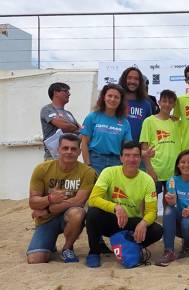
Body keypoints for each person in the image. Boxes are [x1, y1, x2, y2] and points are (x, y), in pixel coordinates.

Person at [85, 141, 163, 268]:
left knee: (157, 230)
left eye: (136, 155)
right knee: (93, 213)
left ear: (140, 158)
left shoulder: (147, 180)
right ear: (121, 158)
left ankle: (129, 245)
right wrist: (115, 207)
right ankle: (94, 252)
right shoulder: (108, 172)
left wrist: (143, 223)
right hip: (112, 220)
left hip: (131, 223)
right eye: (127, 155)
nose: (131, 159)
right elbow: (93, 199)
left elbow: (151, 212)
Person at [27, 133, 96, 264]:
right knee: (36, 259)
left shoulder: (87, 172)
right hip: (46, 221)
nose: (69, 152)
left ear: (79, 151)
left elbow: (79, 201)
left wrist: (47, 209)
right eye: (65, 148)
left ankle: (67, 248)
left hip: (67, 216)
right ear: (58, 149)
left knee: (78, 212)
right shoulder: (42, 169)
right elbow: (33, 203)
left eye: (73, 149)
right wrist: (50, 198)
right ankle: (49, 243)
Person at [156, 150, 189, 266]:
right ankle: (169, 251)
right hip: (182, 220)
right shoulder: (172, 180)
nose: (186, 165)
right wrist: (171, 201)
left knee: (188, 220)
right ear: (178, 165)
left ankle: (187, 248)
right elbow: (173, 202)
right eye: (182, 162)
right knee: (168, 211)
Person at [80, 84, 132, 175]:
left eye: (116, 97)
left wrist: (142, 153)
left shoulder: (124, 122)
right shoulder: (92, 117)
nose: (112, 99)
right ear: (104, 97)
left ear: (120, 101)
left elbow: (128, 146)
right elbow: (84, 143)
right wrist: (87, 165)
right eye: (110, 96)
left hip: (116, 163)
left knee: (112, 189)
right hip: (95, 162)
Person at [140, 89, 180, 201]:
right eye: (164, 101)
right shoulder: (149, 121)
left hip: (172, 172)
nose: (167, 104)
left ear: (174, 105)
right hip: (155, 169)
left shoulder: (177, 123)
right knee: (149, 203)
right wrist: (149, 169)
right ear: (159, 102)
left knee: (169, 205)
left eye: (170, 102)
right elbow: (144, 147)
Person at [40, 82, 81, 160]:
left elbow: (81, 130)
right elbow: (64, 126)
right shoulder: (47, 109)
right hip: (53, 157)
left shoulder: (68, 113)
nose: (69, 94)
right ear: (55, 93)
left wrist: (73, 128)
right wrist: (73, 127)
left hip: (70, 156)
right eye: (66, 91)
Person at [118, 67, 153, 142]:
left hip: (137, 150)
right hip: (116, 149)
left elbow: (150, 129)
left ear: (140, 82)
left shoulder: (146, 105)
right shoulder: (117, 101)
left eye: (136, 79)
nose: (132, 81)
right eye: (129, 78)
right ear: (124, 80)